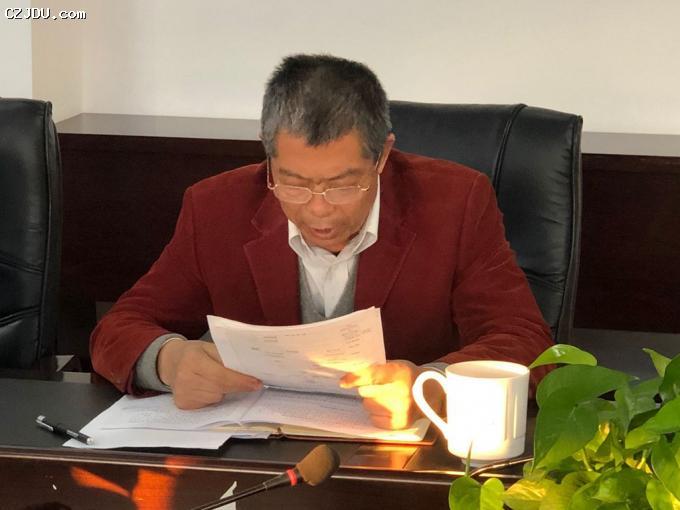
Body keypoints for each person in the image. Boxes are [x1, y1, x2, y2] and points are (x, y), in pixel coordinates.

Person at [90, 54, 553, 430]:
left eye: (343, 184)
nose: (319, 209)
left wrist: (428, 386)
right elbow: (119, 326)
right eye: (292, 183)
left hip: (398, 458)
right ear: (268, 155)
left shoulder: (456, 202)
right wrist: (169, 361)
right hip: (262, 456)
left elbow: (527, 342)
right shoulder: (216, 208)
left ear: (383, 156)